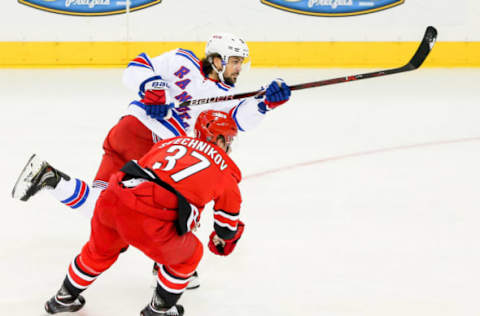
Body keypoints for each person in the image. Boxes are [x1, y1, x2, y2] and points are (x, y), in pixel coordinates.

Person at [38, 110, 245, 316]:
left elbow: (143, 169)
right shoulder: (226, 169)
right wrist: (226, 238)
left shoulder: (169, 142)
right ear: (217, 139)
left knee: (99, 253)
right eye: (228, 140)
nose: (229, 146)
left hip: (113, 198)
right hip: (152, 218)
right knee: (190, 254)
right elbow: (225, 231)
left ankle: (63, 298)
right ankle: (159, 310)